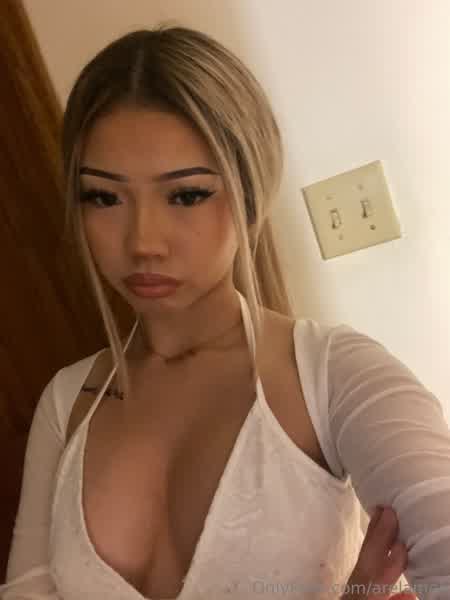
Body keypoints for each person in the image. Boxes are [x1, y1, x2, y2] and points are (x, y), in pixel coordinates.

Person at [1, 23, 449, 600]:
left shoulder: (334, 375)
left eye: (186, 194)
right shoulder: (66, 403)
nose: (143, 241)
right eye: (104, 197)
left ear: (251, 196)